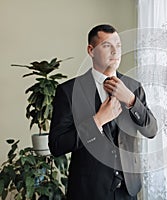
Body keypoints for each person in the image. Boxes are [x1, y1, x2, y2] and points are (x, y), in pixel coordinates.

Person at [49, 24, 158, 200]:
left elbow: (151, 130)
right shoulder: (69, 91)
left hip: (127, 191)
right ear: (91, 50)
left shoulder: (133, 88)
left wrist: (131, 101)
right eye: (107, 45)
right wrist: (98, 120)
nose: (115, 51)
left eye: (118, 45)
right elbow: (57, 145)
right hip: (88, 191)